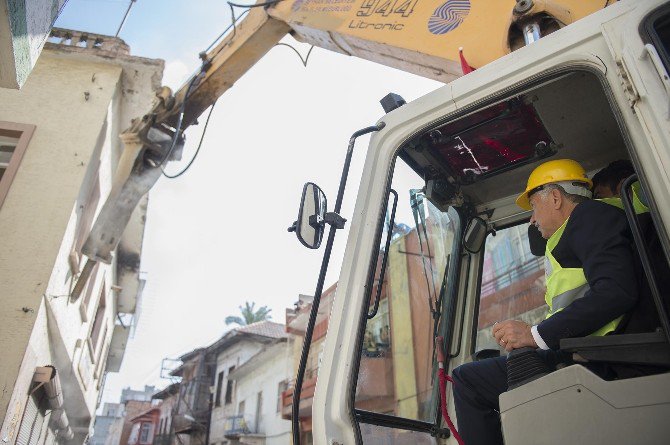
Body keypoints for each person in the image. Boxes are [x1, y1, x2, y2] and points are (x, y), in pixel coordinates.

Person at [452, 159, 641, 445]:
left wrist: (534, 334)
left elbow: (615, 291)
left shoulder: (589, 217)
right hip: (589, 347)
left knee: (469, 380)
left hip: (605, 357)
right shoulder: (583, 227)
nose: (532, 219)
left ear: (554, 198)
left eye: (533, 208)